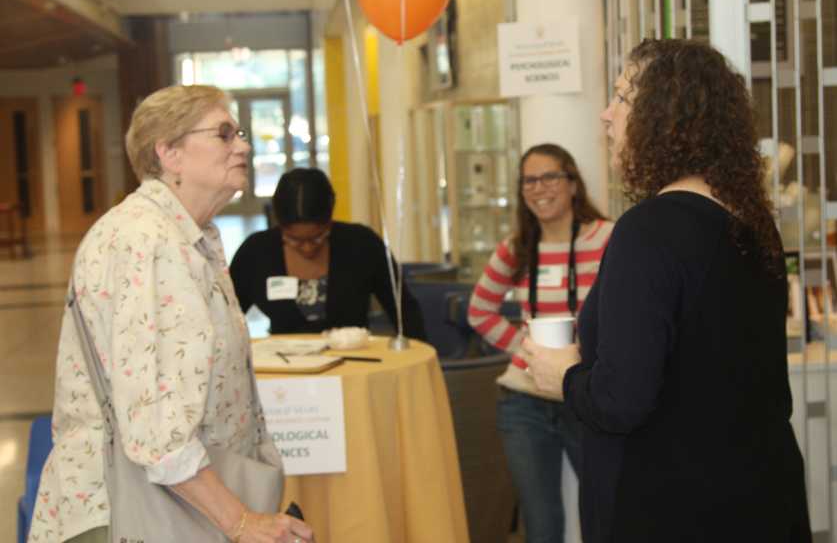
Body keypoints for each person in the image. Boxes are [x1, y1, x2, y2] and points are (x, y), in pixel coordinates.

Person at [522, 39, 811, 543]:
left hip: (671, 508)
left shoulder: (649, 229)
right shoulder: (751, 222)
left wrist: (563, 373)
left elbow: (620, 402)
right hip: (760, 497)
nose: (606, 114)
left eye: (622, 98)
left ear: (666, 116)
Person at [28, 85, 314, 543]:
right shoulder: (151, 244)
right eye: (224, 134)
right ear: (169, 153)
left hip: (168, 505)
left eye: (239, 132)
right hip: (132, 513)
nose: (243, 144)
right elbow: (158, 434)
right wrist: (241, 523)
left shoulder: (180, 236)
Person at [468, 143, 613, 543]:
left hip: (586, 397)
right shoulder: (518, 248)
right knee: (542, 528)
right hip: (523, 403)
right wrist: (528, 348)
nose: (539, 188)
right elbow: (480, 310)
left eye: (550, 177)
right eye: (529, 180)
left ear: (572, 184)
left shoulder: (608, 238)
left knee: (609, 515)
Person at [230, 168, 426, 340]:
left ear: (330, 220)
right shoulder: (255, 252)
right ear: (279, 225)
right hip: (286, 370)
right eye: (293, 239)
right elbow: (227, 316)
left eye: (318, 237)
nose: (307, 248)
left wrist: (414, 353)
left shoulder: (361, 244)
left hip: (352, 365)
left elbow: (403, 308)